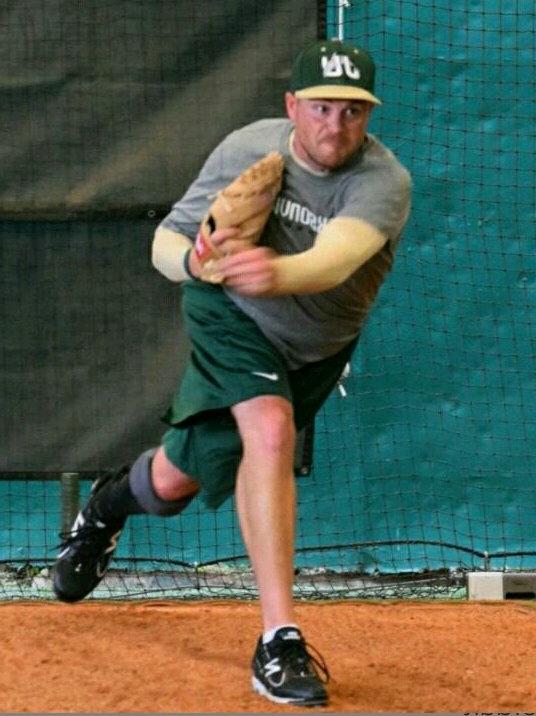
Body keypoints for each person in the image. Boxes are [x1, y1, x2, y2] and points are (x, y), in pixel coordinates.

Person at [53, 39, 411, 707]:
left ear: (369, 117)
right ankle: (279, 640)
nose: (336, 126)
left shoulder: (382, 182)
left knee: (173, 481)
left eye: (353, 112)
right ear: (292, 106)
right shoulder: (249, 148)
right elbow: (168, 242)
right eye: (322, 108)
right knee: (269, 434)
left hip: (312, 348)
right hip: (232, 319)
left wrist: (275, 272)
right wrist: (197, 265)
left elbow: (335, 262)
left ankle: (106, 508)